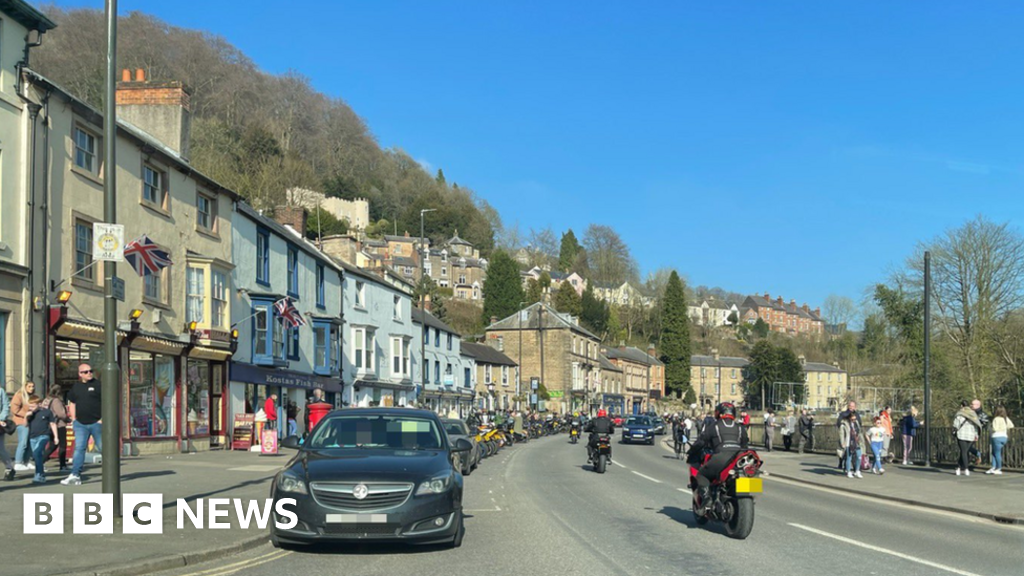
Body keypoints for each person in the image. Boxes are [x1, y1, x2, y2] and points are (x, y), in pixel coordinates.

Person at [687, 403, 749, 514]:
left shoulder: (714, 426)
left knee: (701, 475)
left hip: (721, 456)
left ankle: (707, 500)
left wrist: (691, 451)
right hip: (740, 458)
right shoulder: (740, 428)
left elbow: (701, 442)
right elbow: (745, 444)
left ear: (718, 413)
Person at [62, 365, 102, 486]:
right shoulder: (76, 387)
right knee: (79, 448)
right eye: (86, 372)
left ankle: (112, 473)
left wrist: (102, 419)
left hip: (96, 422)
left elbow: (107, 401)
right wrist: (74, 419)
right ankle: (75, 474)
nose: (89, 373)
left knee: (104, 448)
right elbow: (72, 403)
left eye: (91, 371)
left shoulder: (98, 385)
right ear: (80, 374)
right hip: (80, 424)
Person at [26, 395, 58, 484]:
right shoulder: (30, 413)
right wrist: (26, 416)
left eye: (33, 406)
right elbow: (25, 425)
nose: (31, 408)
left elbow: (52, 424)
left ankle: (39, 474)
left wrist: (56, 436)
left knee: (37, 452)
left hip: (44, 435)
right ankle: (40, 474)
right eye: (29, 406)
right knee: (37, 456)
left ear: (39, 404)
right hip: (33, 437)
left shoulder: (47, 412)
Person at [42, 384, 70, 471]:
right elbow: (61, 414)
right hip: (59, 425)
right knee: (62, 445)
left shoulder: (46, 400)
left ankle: (41, 461)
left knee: (52, 445)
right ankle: (62, 465)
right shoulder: (56, 401)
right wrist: (68, 419)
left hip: (49, 425)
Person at [10, 381, 36, 471]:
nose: (32, 388)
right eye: (29, 386)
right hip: (21, 422)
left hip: (30, 421)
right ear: (25, 387)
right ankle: (18, 462)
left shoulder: (31, 396)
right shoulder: (19, 395)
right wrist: (26, 414)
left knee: (30, 442)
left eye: (33, 386)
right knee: (23, 442)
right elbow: (14, 409)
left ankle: (26, 461)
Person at [953, 400, 982, 476]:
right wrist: (976, 435)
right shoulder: (973, 413)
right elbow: (976, 425)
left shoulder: (959, 414)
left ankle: (965, 468)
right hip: (971, 435)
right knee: (965, 451)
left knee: (963, 451)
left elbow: (955, 425)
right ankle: (959, 468)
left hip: (961, 434)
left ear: (962, 406)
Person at [987, 406, 1014, 475]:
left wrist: (991, 427)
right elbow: (1011, 426)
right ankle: (993, 467)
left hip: (996, 437)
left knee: (996, 453)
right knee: (995, 452)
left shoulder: (996, 419)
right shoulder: (1005, 418)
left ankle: (998, 468)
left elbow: (995, 428)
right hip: (1004, 437)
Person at [839, 411, 863, 478]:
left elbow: (859, 432)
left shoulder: (856, 423)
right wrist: (842, 443)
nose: (854, 421)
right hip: (848, 442)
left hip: (856, 442)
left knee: (859, 456)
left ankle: (857, 471)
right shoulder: (844, 424)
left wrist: (860, 440)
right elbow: (841, 434)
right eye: (852, 419)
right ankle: (848, 471)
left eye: (855, 419)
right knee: (849, 458)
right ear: (849, 418)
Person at [0, 385, 14, 481]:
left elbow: (6, 405)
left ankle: (9, 467)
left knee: (0, 449)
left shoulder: (0, 391)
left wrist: (1, 418)